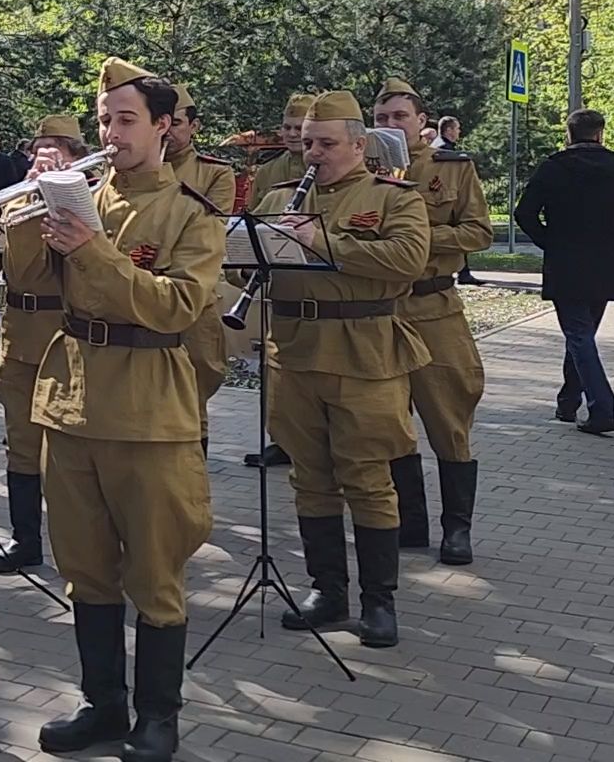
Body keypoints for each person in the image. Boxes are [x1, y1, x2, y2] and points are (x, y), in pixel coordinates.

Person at [30, 59, 220, 762]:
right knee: (84, 568)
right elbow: (27, 281)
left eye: (127, 119)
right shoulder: (82, 196)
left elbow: (176, 306)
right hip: (74, 401)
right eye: (104, 119)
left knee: (156, 570)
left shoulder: (190, 213)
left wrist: (96, 252)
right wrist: (36, 213)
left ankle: (158, 716)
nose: (111, 132)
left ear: (164, 127)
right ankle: (102, 704)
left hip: (148, 407)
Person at [255, 90, 428, 649]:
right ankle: (327, 591)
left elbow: (406, 261)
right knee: (310, 477)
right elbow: (238, 264)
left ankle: (380, 601)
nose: (313, 153)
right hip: (295, 349)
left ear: (358, 144)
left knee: (369, 479)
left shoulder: (392, 197)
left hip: (364, 354)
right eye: (307, 143)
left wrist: (322, 239)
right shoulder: (279, 196)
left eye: (326, 144)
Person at [372, 80, 490, 563]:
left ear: (422, 121)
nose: (391, 126)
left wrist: (419, 233)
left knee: (449, 419)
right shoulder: (362, 172)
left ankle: (457, 529)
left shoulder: (453, 169)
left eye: (400, 117)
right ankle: (409, 522)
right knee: (389, 421)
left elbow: (479, 232)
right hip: (380, 310)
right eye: (381, 119)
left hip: (434, 308)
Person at [0, 114, 84, 575]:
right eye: (38, 151)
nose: (42, 159)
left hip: (68, 338)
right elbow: (21, 268)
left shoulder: (91, 197)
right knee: (21, 446)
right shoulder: (20, 200)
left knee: (69, 456)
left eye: (55, 151)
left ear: (76, 157)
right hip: (20, 334)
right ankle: (25, 540)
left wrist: (60, 194)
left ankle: (81, 548)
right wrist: (32, 193)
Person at [514, 109, 614, 434]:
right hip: (603, 264)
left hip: (564, 263)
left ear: (569, 134)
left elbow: (524, 212)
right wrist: (613, 236)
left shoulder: (553, 167)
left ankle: (602, 408)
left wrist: (550, 241)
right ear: (600, 134)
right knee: (583, 337)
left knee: (579, 337)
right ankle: (568, 404)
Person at [245, 93, 316, 469]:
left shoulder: (324, 165)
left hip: (317, 275)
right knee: (276, 368)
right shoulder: (270, 170)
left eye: (298, 129)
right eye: (286, 127)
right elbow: (256, 215)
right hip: (280, 280)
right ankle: (281, 439)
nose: (290, 134)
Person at [166, 84, 236, 451]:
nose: (170, 131)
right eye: (164, 122)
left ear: (193, 127)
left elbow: (211, 229)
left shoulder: (215, 173)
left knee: (196, 390)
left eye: (178, 123)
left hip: (196, 298)